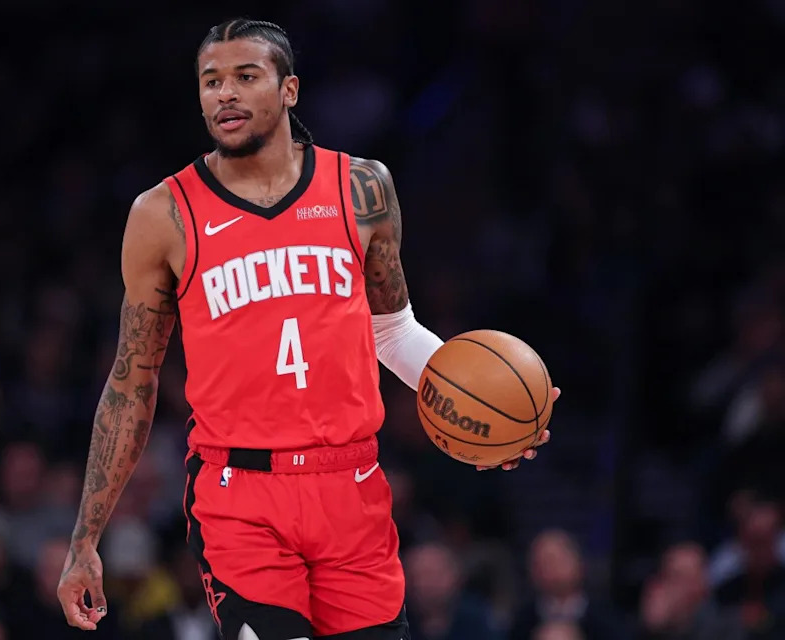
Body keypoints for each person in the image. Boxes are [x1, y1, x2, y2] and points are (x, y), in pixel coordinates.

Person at [57, 18, 559, 640]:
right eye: (211, 81)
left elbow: (393, 331)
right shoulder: (163, 214)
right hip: (239, 494)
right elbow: (132, 380)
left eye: (246, 76)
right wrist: (85, 538)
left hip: (350, 487)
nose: (226, 94)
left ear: (290, 89)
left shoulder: (361, 187)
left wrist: (482, 410)